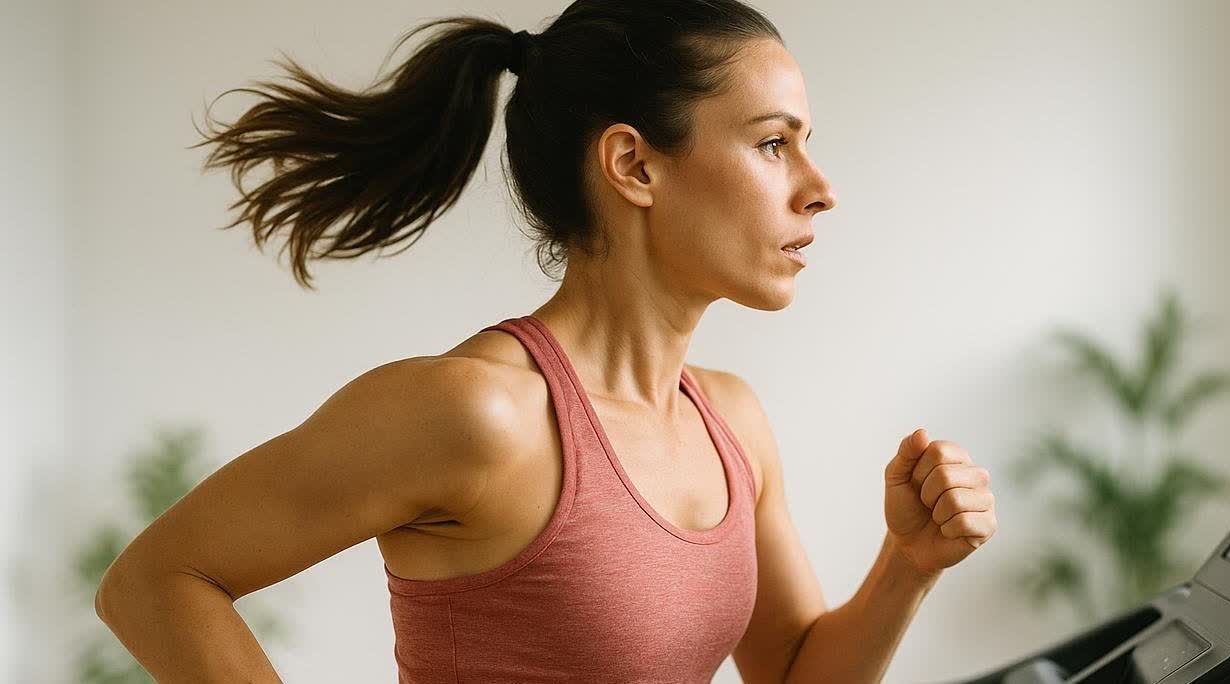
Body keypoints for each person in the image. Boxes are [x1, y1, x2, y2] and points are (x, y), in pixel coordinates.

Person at [93, 1, 998, 681]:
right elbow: (157, 581)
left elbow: (792, 677)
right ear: (634, 165)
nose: (819, 188)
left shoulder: (732, 421)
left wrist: (906, 567)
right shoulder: (478, 411)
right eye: (773, 144)